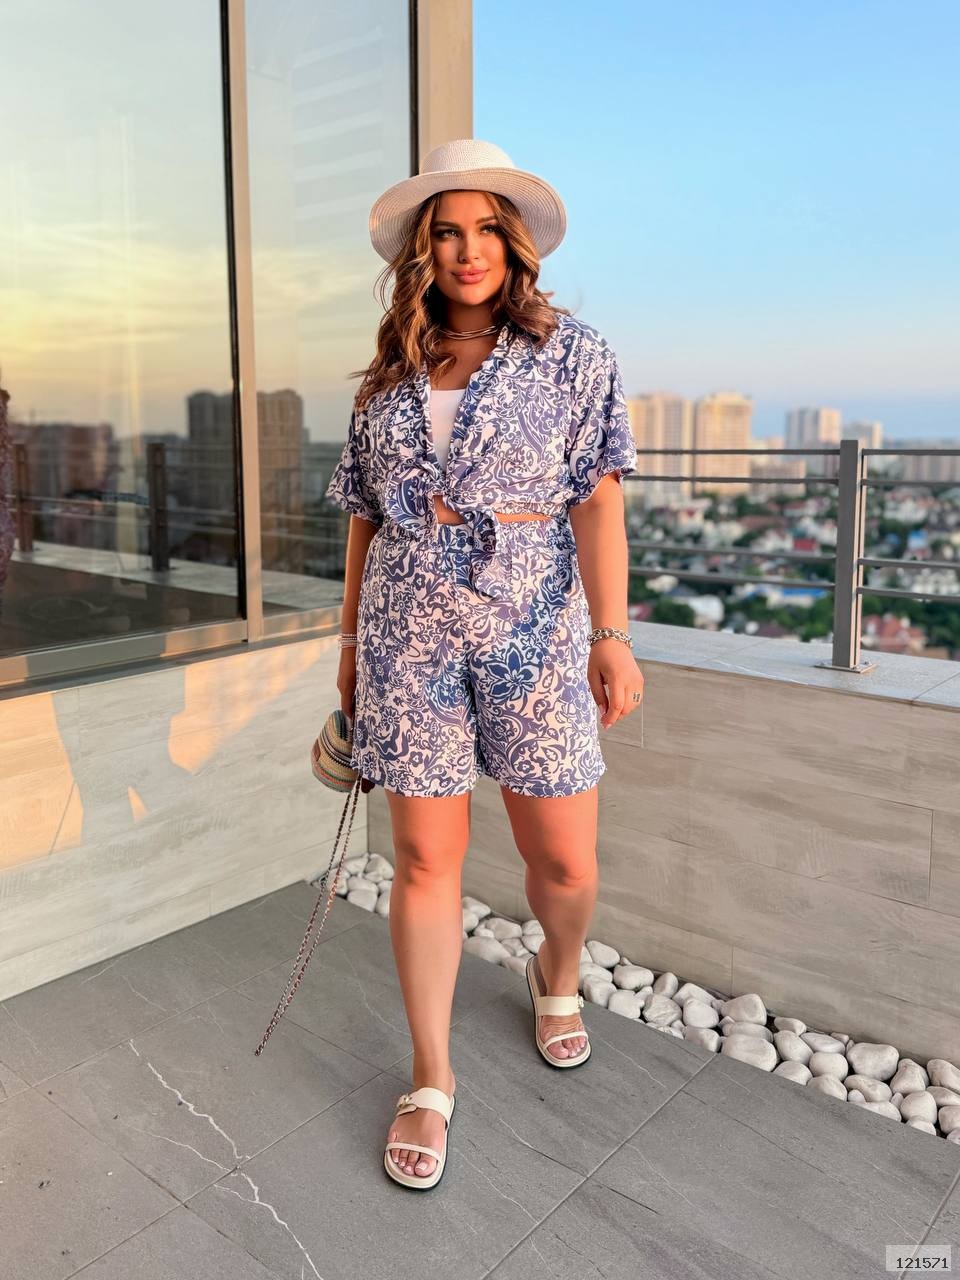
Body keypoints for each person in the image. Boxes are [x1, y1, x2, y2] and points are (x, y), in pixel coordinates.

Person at [324, 138, 644, 1190]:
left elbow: (598, 499)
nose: (468, 251)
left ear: (514, 245)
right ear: (424, 251)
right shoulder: (389, 371)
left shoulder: (573, 353)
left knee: (568, 863)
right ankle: (430, 1076)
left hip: (535, 629)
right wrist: (349, 649)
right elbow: (364, 518)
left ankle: (560, 965)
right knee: (425, 860)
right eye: (447, 233)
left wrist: (610, 634)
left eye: (486, 231)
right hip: (405, 635)